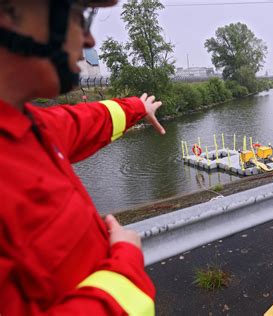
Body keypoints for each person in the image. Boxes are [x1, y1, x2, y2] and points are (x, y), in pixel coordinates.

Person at [0, 0, 165, 314]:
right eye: (78, 16)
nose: (89, 40)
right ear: (9, 13)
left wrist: (137, 108)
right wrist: (125, 263)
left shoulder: (30, 128)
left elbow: (86, 119)